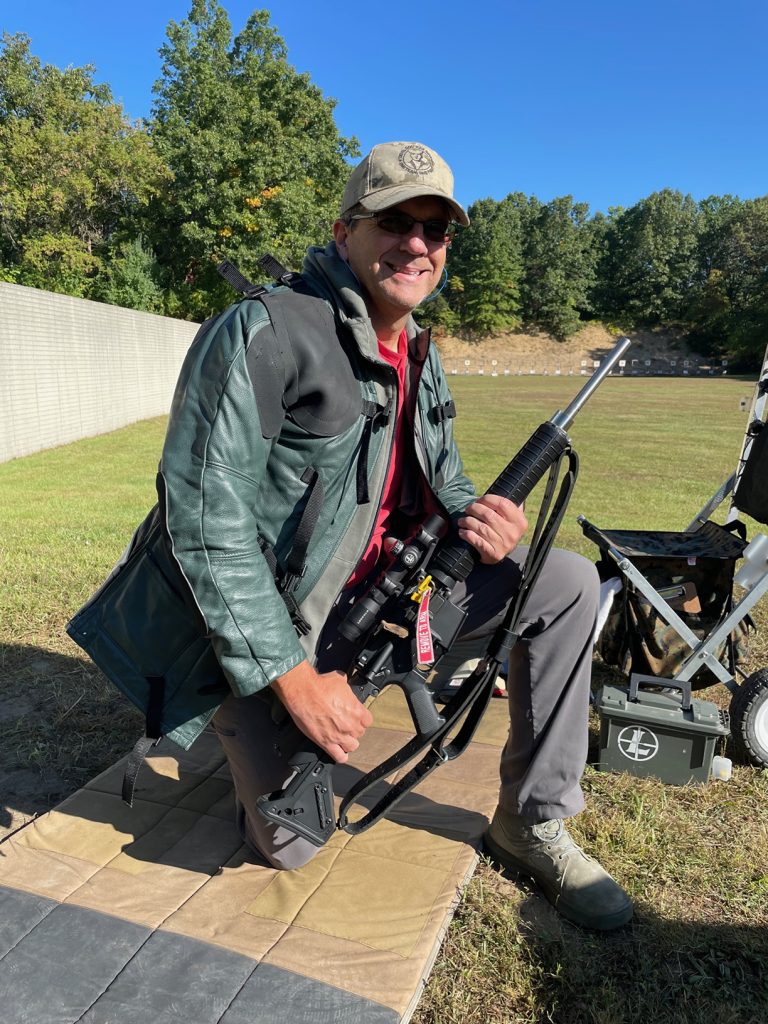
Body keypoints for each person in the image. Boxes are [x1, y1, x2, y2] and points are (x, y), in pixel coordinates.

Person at [156, 141, 633, 930]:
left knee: (567, 583)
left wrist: (483, 520)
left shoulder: (419, 350)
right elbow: (203, 522)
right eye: (395, 221)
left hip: (391, 603)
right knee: (287, 843)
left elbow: (442, 488)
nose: (417, 244)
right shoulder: (263, 331)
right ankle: (246, 712)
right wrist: (296, 681)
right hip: (292, 628)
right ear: (345, 232)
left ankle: (532, 818)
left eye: (436, 230)